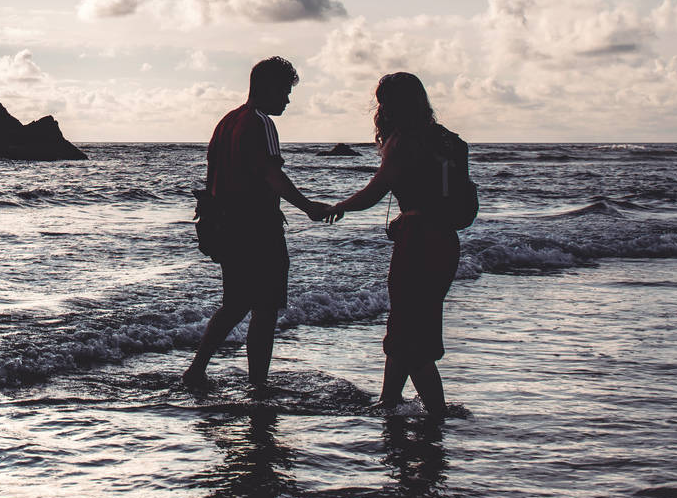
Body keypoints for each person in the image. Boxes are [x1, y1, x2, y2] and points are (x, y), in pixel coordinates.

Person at [182, 56, 337, 394]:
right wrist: (308, 207)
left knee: (235, 304)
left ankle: (197, 370)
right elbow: (271, 174)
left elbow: (213, 180)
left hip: (226, 227)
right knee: (265, 309)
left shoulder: (226, 122)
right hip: (258, 228)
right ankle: (257, 384)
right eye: (284, 91)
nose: (287, 99)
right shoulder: (260, 122)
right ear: (266, 87)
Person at [329, 72, 465, 413]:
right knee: (412, 327)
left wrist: (337, 207)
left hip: (417, 244)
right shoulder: (450, 141)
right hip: (446, 243)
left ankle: (437, 414)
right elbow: (440, 197)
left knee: (408, 334)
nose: (383, 110)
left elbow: (375, 191)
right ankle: (388, 401)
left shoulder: (404, 140)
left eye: (386, 102)